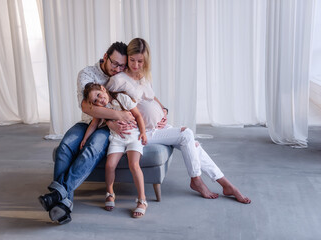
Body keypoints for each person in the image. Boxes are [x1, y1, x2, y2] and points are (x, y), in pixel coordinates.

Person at [106, 38, 251, 204]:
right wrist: (112, 122)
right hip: (142, 131)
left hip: (158, 126)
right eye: (132, 60)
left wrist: (163, 110)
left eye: (141, 61)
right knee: (187, 134)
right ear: (127, 57)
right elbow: (105, 104)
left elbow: (151, 97)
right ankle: (198, 181)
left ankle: (225, 183)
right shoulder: (118, 80)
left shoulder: (143, 76)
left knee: (193, 144)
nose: (136, 65)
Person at [38, 42, 136, 225]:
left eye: (122, 65)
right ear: (105, 57)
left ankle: (59, 198)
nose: (118, 69)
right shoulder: (87, 74)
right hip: (88, 122)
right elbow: (87, 107)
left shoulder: (123, 74)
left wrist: (163, 110)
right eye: (114, 63)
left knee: (93, 148)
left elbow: (141, 91)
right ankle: (63, 202)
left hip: (109, 128)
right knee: (65, 146)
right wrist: (117, 115)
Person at [81, 82, 148, 218]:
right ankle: (110, 193)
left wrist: (143, 132)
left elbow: (138, 115)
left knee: (134, 165)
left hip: (133, 136)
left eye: (99, 95)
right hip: (116, 140)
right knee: (110, 165)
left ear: (103, 89)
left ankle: (142, 200)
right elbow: (93, 125)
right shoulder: (102, 110)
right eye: (95, 101)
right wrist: (84, 139)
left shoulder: (121, 98)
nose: (100, 100)